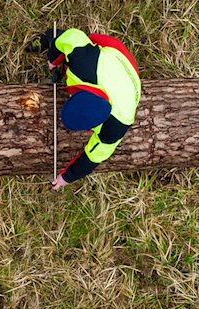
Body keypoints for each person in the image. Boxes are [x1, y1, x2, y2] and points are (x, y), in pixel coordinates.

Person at [36, 27, 141, 189]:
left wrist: (66, 177)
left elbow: (93, 157)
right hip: (115, 57)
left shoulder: (114, 128)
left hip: (130, 79)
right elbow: (72, 36)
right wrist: (54, 59)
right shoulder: (84, 62)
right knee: (88, 39)